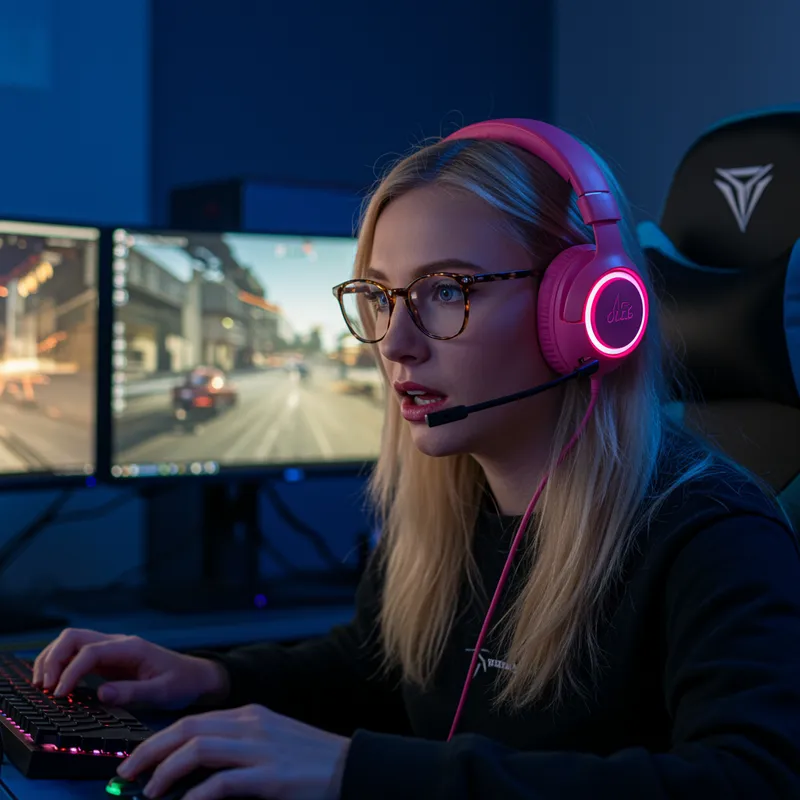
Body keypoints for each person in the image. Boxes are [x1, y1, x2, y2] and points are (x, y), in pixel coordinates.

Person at [33, 119, 800, 799]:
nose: (396, 344)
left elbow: (750, 780)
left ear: (582, 308)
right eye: (380, 296)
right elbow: (380, 668)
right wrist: (215, 677)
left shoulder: (713, 535)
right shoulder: (450, 505)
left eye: (448, 291)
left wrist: (352, 771)